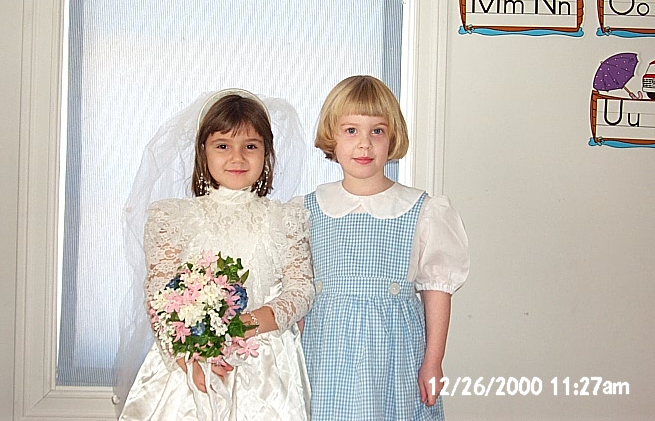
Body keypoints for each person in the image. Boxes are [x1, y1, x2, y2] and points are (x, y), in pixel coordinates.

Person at [117, 89, 314, 421]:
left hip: (265, 364)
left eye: (250, 146)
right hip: (192, 361)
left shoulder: (286, 218)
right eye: (223, 146)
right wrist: (190, 359)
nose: (237, 158)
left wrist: (242, 326)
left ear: (266, 153)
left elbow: (301, 289)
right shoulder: (172, 218)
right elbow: (159, 296)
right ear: (203, 152)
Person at [301, 75, 470, 421]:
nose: (364, 144)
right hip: (326, 352)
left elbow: (437, 289)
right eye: (351, 130)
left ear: (393, 137)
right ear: (332, 135)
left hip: (395, 353)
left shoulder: (421, 209)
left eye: (377, 131)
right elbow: (299, 291)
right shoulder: (308, 209)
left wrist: (433, 360)